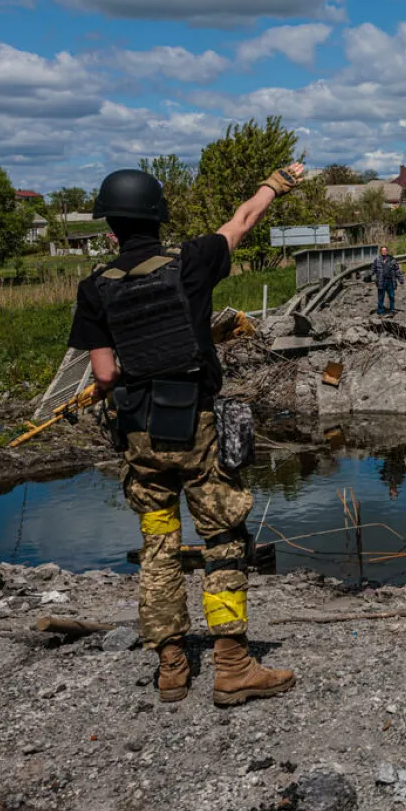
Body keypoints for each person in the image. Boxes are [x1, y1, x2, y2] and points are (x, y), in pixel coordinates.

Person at [68, 163, 306, 706]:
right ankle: (231, 665)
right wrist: (273, 182)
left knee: (158, 544)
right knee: (222, 540)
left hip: (137, 434)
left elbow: (104, 375)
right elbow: (242, 221)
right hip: (194, 427)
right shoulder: (193, 261)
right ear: (159, 217)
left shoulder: (94, 288)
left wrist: (134, 371)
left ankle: (172, 668)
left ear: (110, 229)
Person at [372, 244, 403, 315]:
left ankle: (392, 310)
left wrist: (401, 279)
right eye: (382, 250)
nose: (384, 252)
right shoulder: (377, 260)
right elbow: (373, 269)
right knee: (380, 297)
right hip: (380, 281)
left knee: (392, 296)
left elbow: (397, 270)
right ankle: (380, 311)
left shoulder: (392, 259)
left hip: (390, 281)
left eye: (385, 250)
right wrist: (369, 275)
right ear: (380, 252)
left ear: (387, 251)